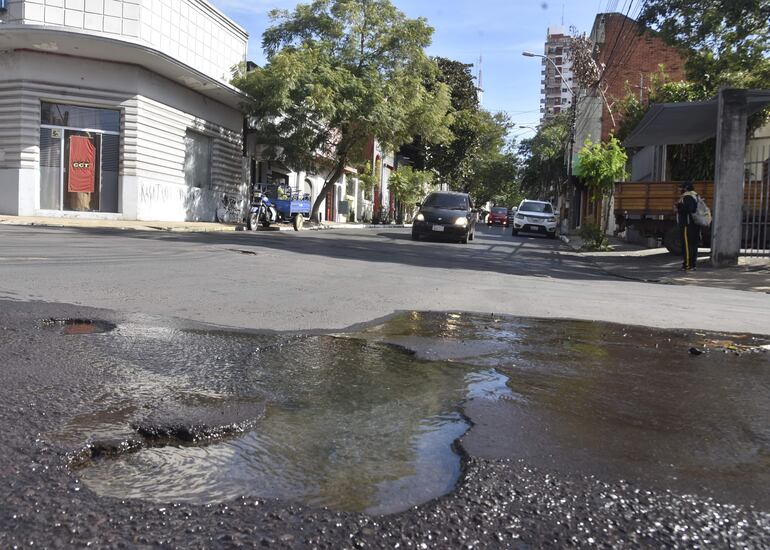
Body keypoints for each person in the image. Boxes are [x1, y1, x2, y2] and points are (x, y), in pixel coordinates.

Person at [675, 181, 699, 270]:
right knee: (693, 245)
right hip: (694, 224)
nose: (679, 189)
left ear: (686, 188)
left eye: (681, 188)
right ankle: (693, 265)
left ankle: (687, 265)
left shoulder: (687, 196)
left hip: (687, 224)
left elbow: (689, 209)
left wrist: (678, 207)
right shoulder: (695, 195)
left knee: (686, 245)